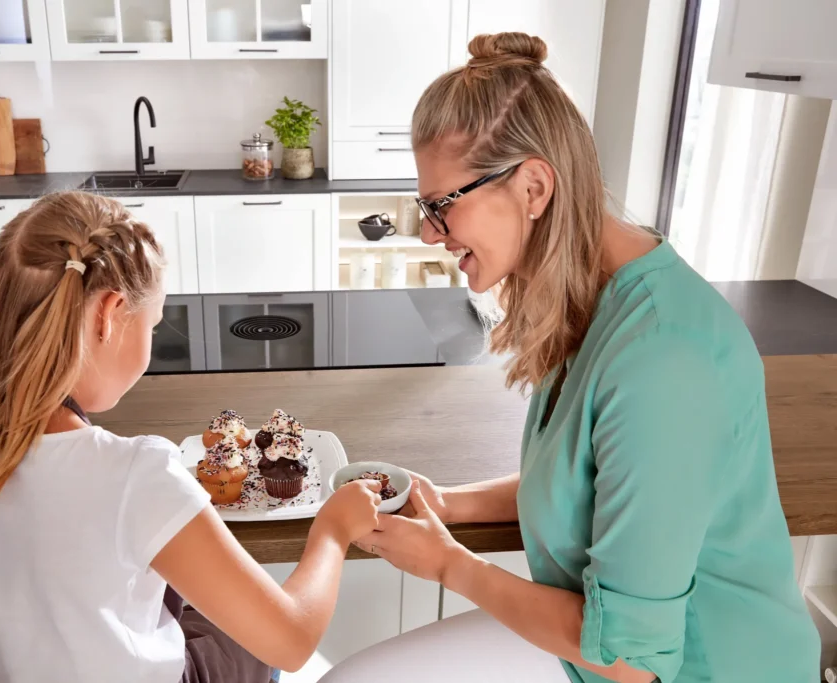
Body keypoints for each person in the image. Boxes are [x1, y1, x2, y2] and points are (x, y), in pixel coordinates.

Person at [325, 32, 821, 683]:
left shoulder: (665, 361)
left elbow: (630, 659)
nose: (427, 231)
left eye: (443, 206)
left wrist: (451, 564)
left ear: (533, 186)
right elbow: (585, 481)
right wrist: (445, 501)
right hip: (587, 643)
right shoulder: (594, 297)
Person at [0, 191, 383, 683]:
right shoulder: (136, 475)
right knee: (245, 635)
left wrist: (26, 578)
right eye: (154, 324)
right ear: (108, 314)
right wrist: (333, 532)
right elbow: (292, 641)